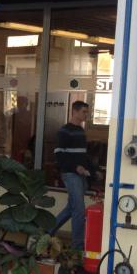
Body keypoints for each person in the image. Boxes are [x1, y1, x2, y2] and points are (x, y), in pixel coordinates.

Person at [50, 101, 92, 250]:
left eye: (87, 112)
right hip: (70, 174)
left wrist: (92, 170)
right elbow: (59, 154)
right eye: (84, 112)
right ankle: (77, 247)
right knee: (79, 210)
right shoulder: (64, 131)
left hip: (80, 175)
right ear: (74, 111)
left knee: (72, 208)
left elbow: (83, 155)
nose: (86, 115)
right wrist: (75, 167)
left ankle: (46, 233)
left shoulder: (81, 131)